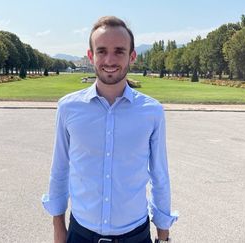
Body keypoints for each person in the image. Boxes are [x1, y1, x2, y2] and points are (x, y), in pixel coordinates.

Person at [42, 16, 177, 243]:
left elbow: (160, 176)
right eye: (102, 51)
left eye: (119, 51)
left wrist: (163, 236)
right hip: (80, 235)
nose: (110, 59)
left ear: (132, 56)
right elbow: (59, 170)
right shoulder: (68, 108)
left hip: (135, 236)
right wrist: (58, 228)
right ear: (91, 55)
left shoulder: (152, 112)